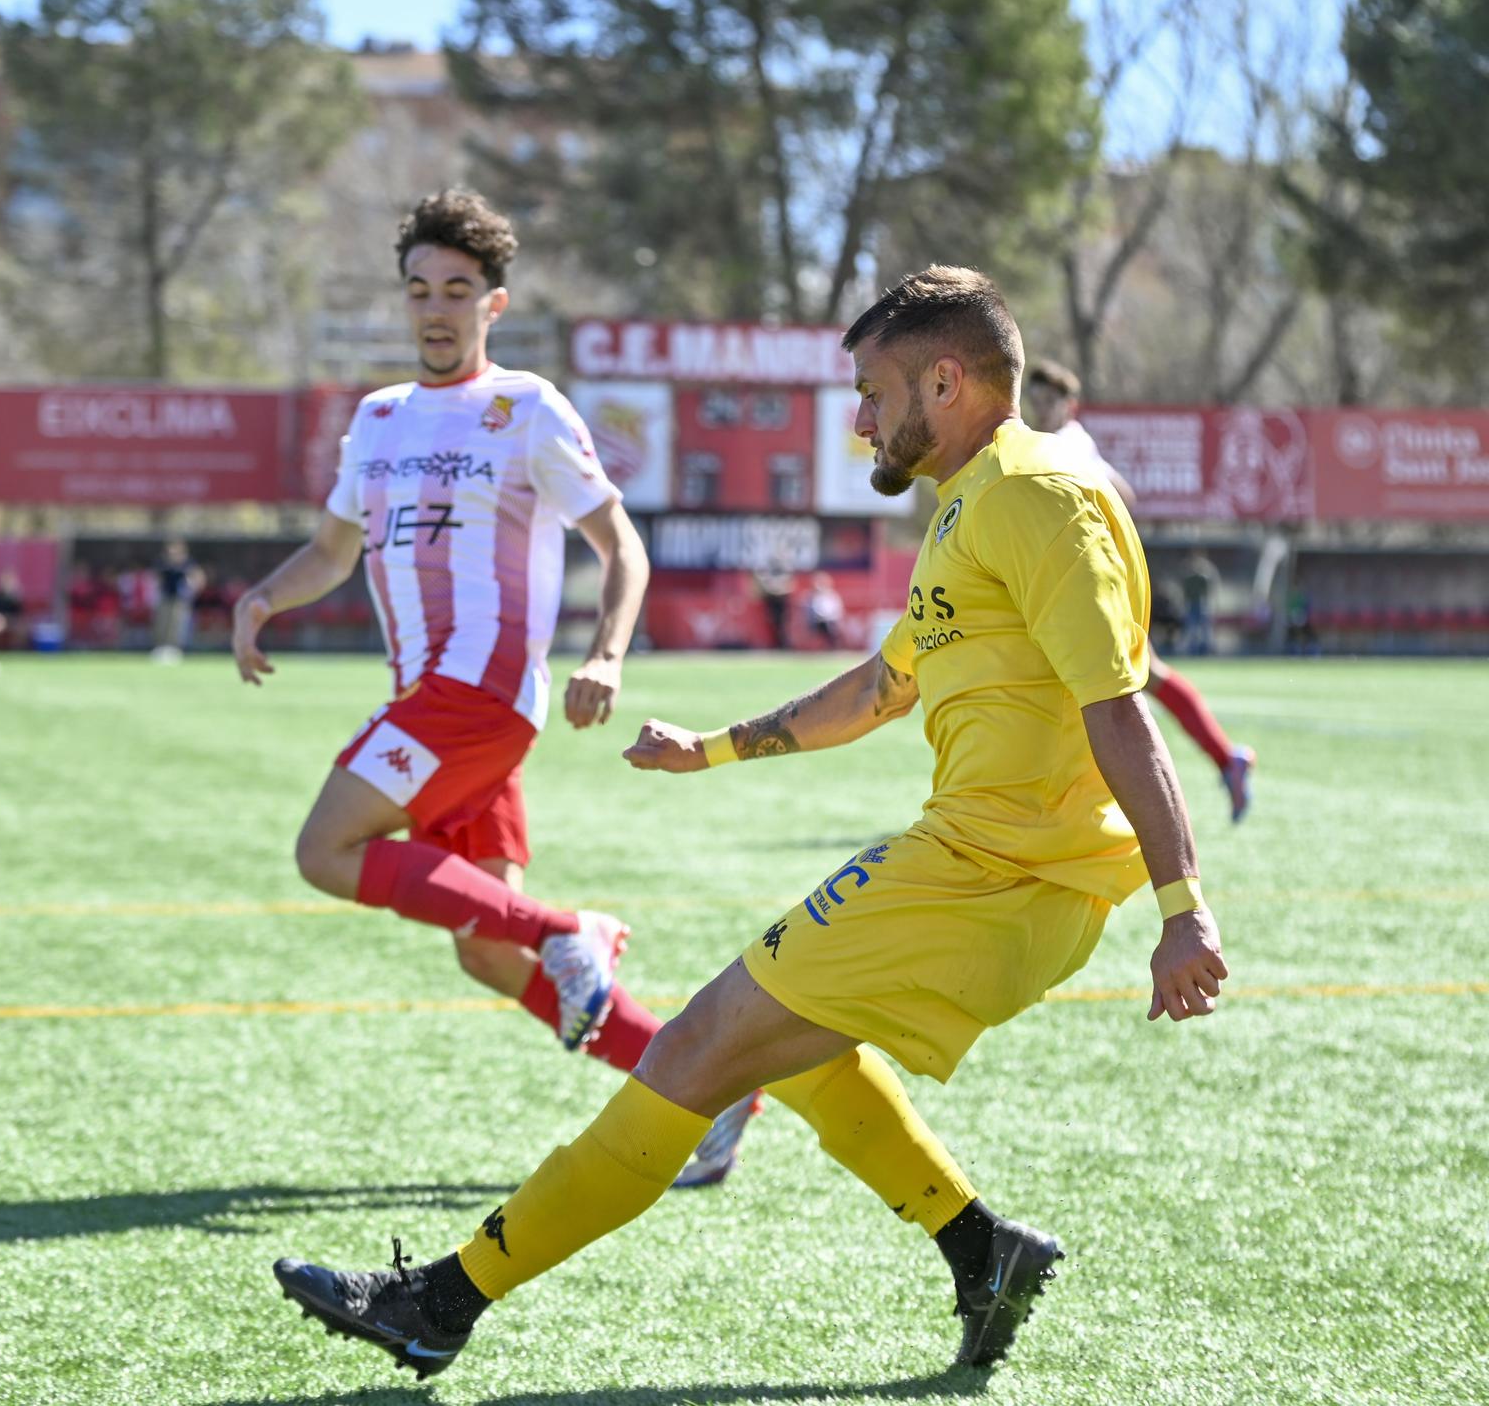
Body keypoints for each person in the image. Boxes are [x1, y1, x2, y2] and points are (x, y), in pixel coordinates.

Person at [272, 265, 1230, 1380]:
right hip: (986, 868)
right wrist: (711, 746)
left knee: (693, 1050)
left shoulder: (1031, 495)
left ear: (946, 378)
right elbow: (878, 689)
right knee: (800, 1056)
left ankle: (439, 1299)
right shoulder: (979, 497)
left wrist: (1183, 909)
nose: (860, 420)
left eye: (872, 393)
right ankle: (982, 1251)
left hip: (991, 873)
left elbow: (1116, 709)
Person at [232, 188, 759, 1188]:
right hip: (433, 701)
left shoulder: (525, 409)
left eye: (457, 291)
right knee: (484, 951)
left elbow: (620, 547)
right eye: (420, 289)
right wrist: (262, 597)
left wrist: (605, 652)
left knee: (323, 848)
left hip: (475, 693)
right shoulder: (378, 416)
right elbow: (332, 549)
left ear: (494, 303)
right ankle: (707, 1094)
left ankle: (573, 930)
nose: (436, 308)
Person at [1025, 360, 1256, 822]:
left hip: (1092, 582)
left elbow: (1119, 494)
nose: (1039, 409)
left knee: (1118, 682)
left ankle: (1071, 800)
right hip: (1087, 579)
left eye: (1048, 402)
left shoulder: (1066, 444)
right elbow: (1124, 493)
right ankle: (1225, 758)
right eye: (1034, 401)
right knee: (1137, 676)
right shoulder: (1070, 444)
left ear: (1069, 406)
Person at [153, 540, 206, 662]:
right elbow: (157, 578)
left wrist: (191, 589)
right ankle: (161, 648)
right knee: (162, 623)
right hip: (165, 597)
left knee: (176, 624)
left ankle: (174, 649)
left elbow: (198, 576)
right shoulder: (162, 562)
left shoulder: (187, 563)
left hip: (180, 599)